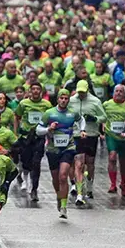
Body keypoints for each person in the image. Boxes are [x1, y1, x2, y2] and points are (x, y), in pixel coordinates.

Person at [36, 89, 83, 219]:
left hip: (68, 147)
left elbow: (81, 120)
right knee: (56, 179)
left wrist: (82, 130)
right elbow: (38, 130)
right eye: (61, 98)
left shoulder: (72, 113)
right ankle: (59, 196)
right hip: (53, 149)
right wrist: (48, 129)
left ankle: (63, 206)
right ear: (57, 99)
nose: (63, 101)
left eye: (66, 98)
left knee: (63, 176)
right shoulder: (49, 113)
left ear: (68, 100)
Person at [67, 80, 106, 205]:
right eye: (79, 92)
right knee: (78, 163)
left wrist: (94, 118)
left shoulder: (95, 101)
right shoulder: (72, 101)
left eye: (83, 92)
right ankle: (79, 193)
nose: (81, 94)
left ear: (87, 90)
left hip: (91, 134)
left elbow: (104, 117)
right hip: (76, 135)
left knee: (90, 163)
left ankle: (89, 185)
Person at [14, 83, 53, 201]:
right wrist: (16, 132)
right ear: (30, 91)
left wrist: (49, 135)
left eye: (38, 89)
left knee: (36, 163)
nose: (35, 91)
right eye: (33, 89)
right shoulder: (23, 103)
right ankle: (25, 179)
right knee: (26, 162)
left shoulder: (46, 104)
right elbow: (16, 116)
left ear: (41, 91)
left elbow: (50, 119)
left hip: (39, 137)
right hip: (26, 137)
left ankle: (34, 189)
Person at [103, 84, 125, 196]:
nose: (119, 93)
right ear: (113, 92)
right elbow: (102, 116)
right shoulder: (107, 104)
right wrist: (102, 126)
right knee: (112, 157)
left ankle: (124, 183)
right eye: (117, 91)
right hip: (111, 135)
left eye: (121, 91)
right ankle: (112, 184)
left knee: (123, 161)